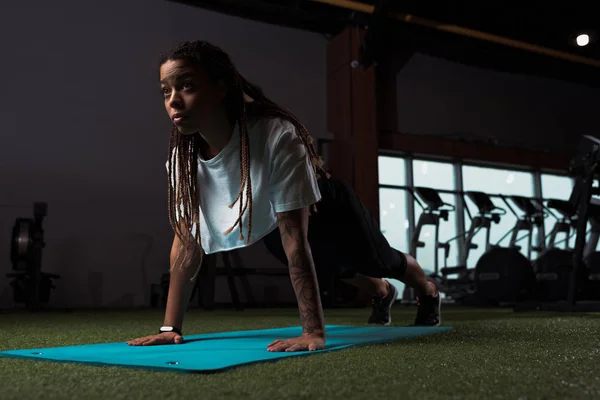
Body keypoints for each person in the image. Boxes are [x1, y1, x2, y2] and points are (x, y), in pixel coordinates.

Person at [126, 40, 440, 352]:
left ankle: (427, 291)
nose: (173, 101)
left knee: (381, 260)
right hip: (275, 220)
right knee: (337, 270)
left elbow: (296, 240)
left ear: (221, 88)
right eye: (166, 91)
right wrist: (170, 328)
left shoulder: (276, 136)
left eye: (187, 86)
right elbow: (186, 240)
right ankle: (382, 292)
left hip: (330, 209)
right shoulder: (183, 161)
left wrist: (313, 332)